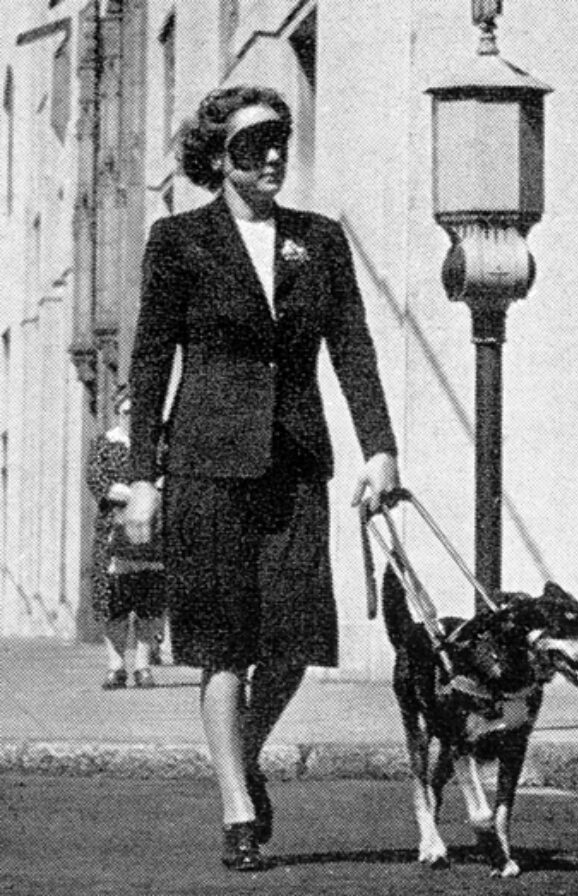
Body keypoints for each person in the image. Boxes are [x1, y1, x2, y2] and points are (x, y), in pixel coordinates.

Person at [123, 84, 400, 873]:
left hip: (295, 463)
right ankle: (238, 807)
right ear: (217, 160)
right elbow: (150, 363)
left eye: (279, 139)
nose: (272, 155)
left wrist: (380, 447)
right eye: (252, 146)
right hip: (207, 465)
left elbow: (352, 346)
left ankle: (238, 756)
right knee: (221, 645)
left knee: (294, 639)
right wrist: (144, 476)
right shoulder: (179, 241)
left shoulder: (319, 239)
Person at [86, 385, 166, 690]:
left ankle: (143, 666)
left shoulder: (155, 444)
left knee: (149, 601)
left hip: (150, 531)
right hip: (112, 532)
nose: (132, 418)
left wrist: (149, 494)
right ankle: (116, 665)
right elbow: (98, 481)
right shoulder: (105, 444)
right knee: (114, 601)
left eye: (137, 412)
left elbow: (164, 479)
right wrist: (138, 493)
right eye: (127, 412)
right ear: (118, 411)